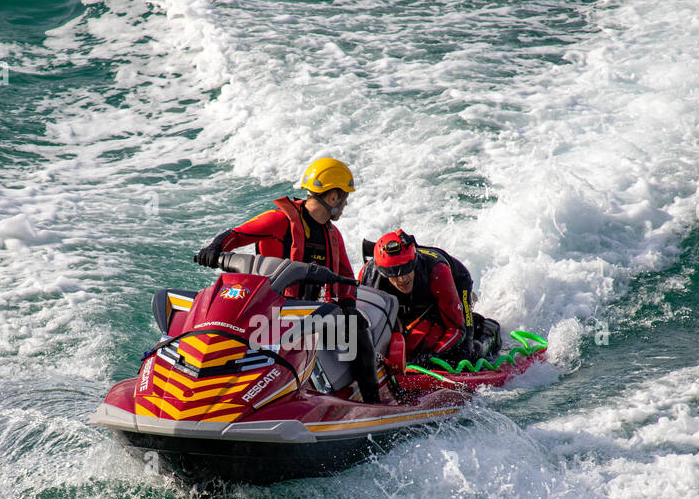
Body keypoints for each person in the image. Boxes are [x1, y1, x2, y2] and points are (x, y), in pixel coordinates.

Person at [193, 158, 382, 403]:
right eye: (345, 197)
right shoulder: (280, 220)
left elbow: (345, 275)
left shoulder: (333, 235)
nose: (346, 203)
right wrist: (215, 248)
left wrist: (347, 304)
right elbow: (237, 235)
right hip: (265, 309)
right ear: (333, 197)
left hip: (307, 314)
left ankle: (372, 402)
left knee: (357, 327)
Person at [360, 229, 493, 365]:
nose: (402, 279)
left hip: (453, 283)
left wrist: (433, 354)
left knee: (465, 353)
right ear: (382, 272)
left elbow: (456, 329)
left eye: (407, 268)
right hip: (416, 295)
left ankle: (489, 330)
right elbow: (365, 326)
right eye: (392, 273)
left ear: (414, 262)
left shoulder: (438, 272)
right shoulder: (368, 276)